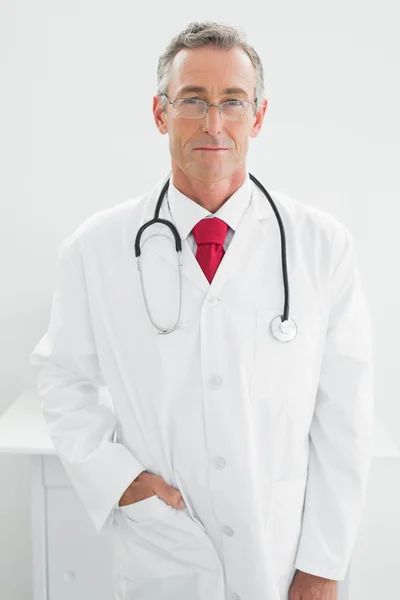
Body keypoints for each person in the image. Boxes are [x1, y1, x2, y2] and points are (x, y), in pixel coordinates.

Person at [29, 20, 374, 600]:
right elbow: (62, 379)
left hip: (282, 554)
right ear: (161, 114)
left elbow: (344, 416)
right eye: (192, 101)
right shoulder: (96, 249)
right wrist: (122, 483)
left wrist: (323, 561)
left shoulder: (321, 246)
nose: (213, 123)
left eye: (232, 102)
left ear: (258, 118)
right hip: (163, 553)